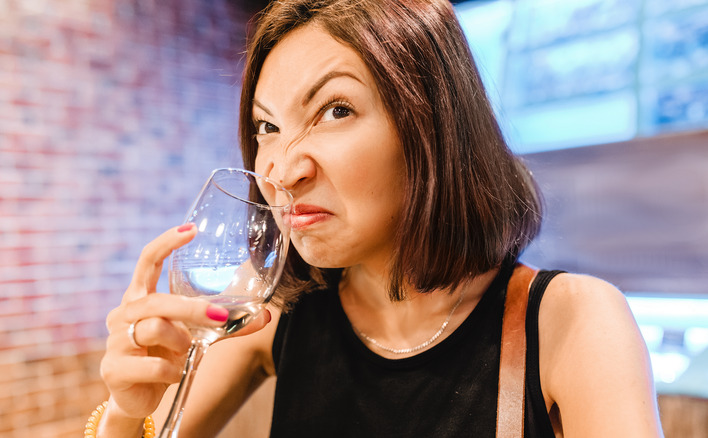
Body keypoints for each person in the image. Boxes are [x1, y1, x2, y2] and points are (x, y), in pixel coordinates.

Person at [93, 1, 663, 437]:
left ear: (433, 130)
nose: (283, 171)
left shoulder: (570, 323)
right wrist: (126, 410)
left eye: (335, 111)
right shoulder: (271, 320)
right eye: (268, 126)